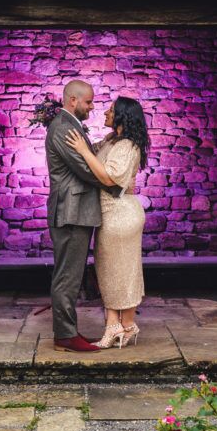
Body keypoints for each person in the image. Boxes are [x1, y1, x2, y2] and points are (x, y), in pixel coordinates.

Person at [65, 96, 149, 349]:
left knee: (123, 270)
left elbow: (109, 177)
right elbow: (93, 156)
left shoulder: (128, 145)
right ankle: (114, 326)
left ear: (122, 115)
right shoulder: (113, 140)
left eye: (111, 110)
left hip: (121, 214)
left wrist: (82, 150)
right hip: (109, 213)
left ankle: (127, 324)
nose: (104, 113)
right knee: (108, 269)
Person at [45, 80, 122, 353]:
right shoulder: (64, 128)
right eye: (88, 102)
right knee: (68, 276)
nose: (92, 107)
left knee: (71, 274)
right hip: (71, 212)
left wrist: (109, 142)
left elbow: (88, 157)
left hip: (76, 211)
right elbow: (87, 170)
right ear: (72, 101)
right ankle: (65, 336)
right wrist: (115, 180)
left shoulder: (71, 126)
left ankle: (67, 331)